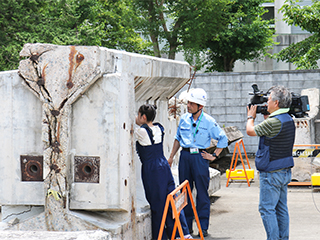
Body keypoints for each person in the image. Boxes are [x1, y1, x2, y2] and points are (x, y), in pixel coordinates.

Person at [168, 88, 228, 237]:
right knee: (185, 192)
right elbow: (177, 139)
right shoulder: (183, 119)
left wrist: (214, 155)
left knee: (202, 193)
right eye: (188, 102)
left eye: (192, 103)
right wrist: (171, 157)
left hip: (200, 158)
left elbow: (223, 139)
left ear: (200, 106)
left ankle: (203, 226)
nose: (188, 105)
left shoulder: (209, 121)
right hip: (185, 157)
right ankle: (187, 226)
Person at [135, 104, 193, 240]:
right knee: (173, 199)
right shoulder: (159, 128)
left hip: (152, 170)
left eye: (138, 115)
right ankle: (181, 233)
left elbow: (130, 126)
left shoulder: (142, 132)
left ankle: (160, 237)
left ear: (143, 117)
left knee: (158, 205)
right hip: (164, 165)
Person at [246, 85, 295, 240]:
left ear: (277, 103)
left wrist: (250, 117)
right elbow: (272, 131)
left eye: (268, 99)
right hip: (284, 171)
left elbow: (250, 131)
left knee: (266, 209)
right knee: (281, 209)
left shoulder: (274, 122)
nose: (266, 102)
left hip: (272, 173)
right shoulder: (287, 119)